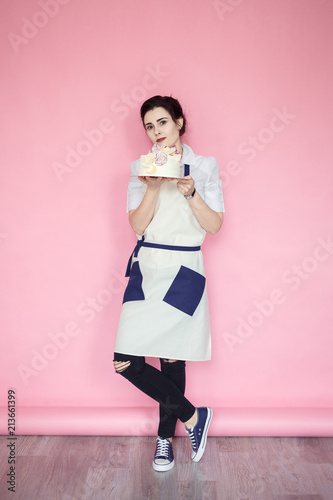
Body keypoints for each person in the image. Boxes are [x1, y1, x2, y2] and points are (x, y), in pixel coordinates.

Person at [113, 95, 225, 472]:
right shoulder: (138, 168)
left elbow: (214, 225)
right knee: (125, 360)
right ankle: (194, 417)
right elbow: (137, 225)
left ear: (178, 122)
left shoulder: (205, 167)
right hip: (148, 265)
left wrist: (192, 193)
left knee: (171, 356)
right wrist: (152, 185)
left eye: (162, 122)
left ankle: (164, 440)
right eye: (149, 126)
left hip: (184, 265)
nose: (156, 132)